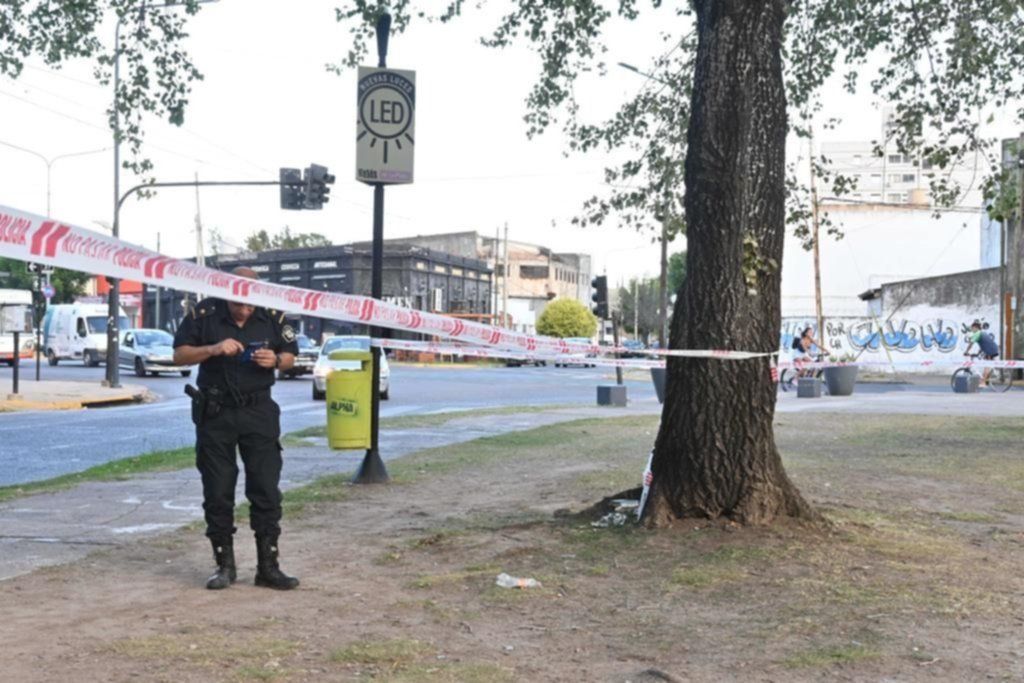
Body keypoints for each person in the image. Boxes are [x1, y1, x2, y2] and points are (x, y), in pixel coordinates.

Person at [173, 267, 300, 590]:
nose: (244, 310)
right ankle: (224, 566)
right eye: (237, 304)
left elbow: (290, 355)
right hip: (216, 413)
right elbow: (179, 355)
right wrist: (213, 349)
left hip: (259, 411)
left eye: (249, 304)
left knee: (266, 488)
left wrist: (275, 360)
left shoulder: (272, 315)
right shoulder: (204, 314)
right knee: (217, 490)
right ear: (226, 293)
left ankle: (268, 566)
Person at [965, 320, 1000, 385]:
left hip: (990, 351)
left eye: (972, 328)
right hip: (992, 349)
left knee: (987, 365)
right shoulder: (982, 333)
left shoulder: (977, 334)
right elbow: (984, 343)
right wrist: (978, 353)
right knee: (985, 363)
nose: (972, 330)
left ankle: (983, 382)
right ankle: (986, 378)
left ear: (976, 328)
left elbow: (971, 344)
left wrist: (966, 351)